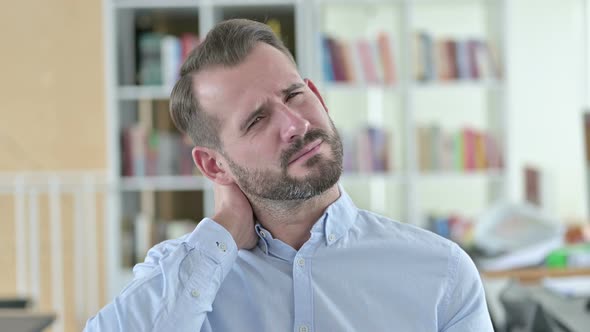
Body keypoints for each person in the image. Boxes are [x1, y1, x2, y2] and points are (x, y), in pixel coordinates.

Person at [85, 19, 493, 331]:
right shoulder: (182, 279)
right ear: (214, 166)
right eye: (257, 119)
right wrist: (223, 232)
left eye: (294, 95)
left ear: (316, 94)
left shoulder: (442, 272)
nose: (295, 124)